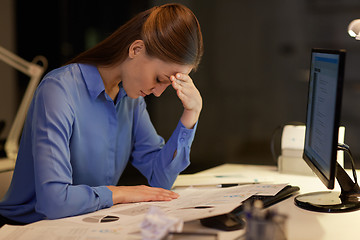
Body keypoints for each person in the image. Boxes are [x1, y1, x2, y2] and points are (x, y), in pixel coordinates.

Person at [0, 3, 203, 226]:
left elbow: (161, 181)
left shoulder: (131, 100)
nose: (157, 93)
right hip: (29, 228)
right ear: (136, 49)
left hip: (86, 224)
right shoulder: (58, 90)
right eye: (159, 79)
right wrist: (119, 193)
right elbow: (54, 201)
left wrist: (191, 113)